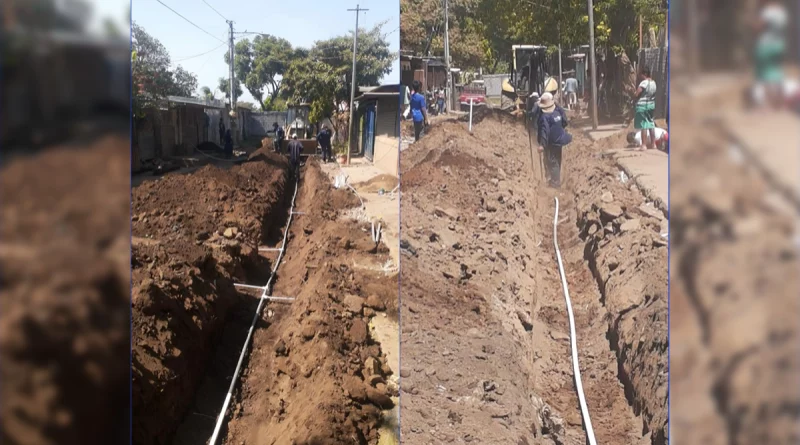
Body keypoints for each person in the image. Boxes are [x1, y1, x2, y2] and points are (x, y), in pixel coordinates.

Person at [754, 0, 788, 109]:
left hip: (766, 45)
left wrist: (752, 23)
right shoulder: (782, 12)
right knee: (777, 72)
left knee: (764, 74)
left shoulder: (767, 11)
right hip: (779, 45)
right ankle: (781, 102)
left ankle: (767, 104)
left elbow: (759, 27)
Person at [536, 92, 572, 188]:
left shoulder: (544, 117)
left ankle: (555, 183)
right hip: (560, 140)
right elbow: (565, 122)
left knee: (552, 161)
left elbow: (544, 131)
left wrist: (542, 145)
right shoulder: (557, 112)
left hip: (551, 142)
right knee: (557, 159)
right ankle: (555, 178)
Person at [633, 67, 657, 151]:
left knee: (644, 125)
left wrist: (634, 95)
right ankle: (653, 144)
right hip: (651, 105)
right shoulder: (654, 83)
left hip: (643, 106)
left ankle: (643, 145)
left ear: (645, 74)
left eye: (642, 75)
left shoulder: (644, 82)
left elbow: (637, 93)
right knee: (651, 123)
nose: (641, 76)